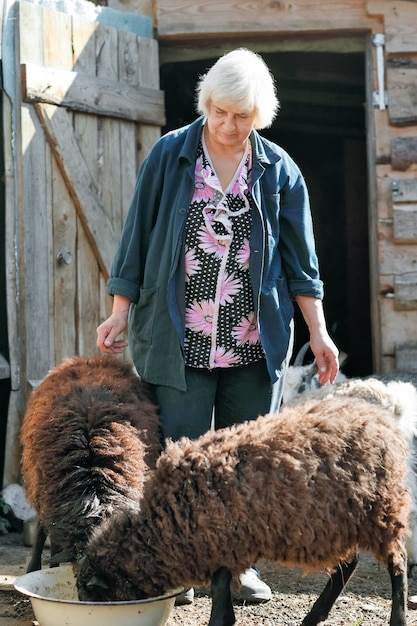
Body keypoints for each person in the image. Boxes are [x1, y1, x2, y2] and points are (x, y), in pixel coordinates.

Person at [97, 48, 339, 604]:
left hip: (254, 341)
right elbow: (136, 238)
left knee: (244, 464)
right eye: (220, 113)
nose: (229, 127)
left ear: (261, 115)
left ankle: (237, 568)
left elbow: (303, 266)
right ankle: (179, 568)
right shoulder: (170, 155)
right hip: (178, 337)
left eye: (243, 116)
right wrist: (119, 311)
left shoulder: (279, 171)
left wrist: (319, 334)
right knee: (178, 457)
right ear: (207, 104)